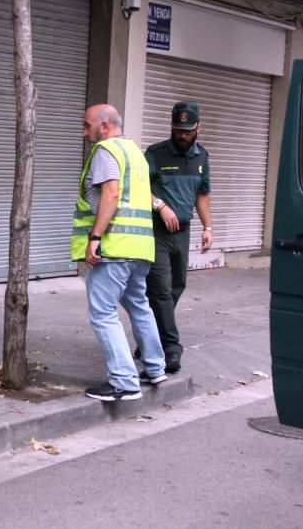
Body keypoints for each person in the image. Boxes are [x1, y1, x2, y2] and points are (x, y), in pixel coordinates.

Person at [72, 104, 167, 402]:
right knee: (139, 304)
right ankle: (155, 367)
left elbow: (111, 194)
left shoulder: (106, 151)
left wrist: (95, 237)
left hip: (114, 248)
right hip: (140, 248)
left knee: (102, 312)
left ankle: (124, 382)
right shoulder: (134, 152)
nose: (84, 131)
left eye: (87, 126)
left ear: (104, 126)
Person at [142, 101, 213, 374]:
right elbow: (139, 188)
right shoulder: (155, 154)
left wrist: (208, 227)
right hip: (156, 231)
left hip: (183, 232)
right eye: (177, 130)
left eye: (187, 131)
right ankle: (171, 348)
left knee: (177, 286)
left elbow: (202, 195)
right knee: (160, 289)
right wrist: (160, 205)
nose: (182, 136)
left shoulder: (202, 157)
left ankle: (151, 336)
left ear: (197, 128)